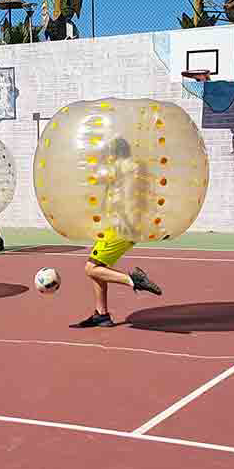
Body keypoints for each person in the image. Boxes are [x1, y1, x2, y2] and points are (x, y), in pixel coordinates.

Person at [71, 138, 162, 328]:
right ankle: (101, 314)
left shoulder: (121, 167)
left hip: (121, 225)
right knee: (99, 268)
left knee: (91, 268)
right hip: (130, 224)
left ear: (114, 153)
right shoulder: (137, 167)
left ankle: (134, 280)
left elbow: (105, 184)